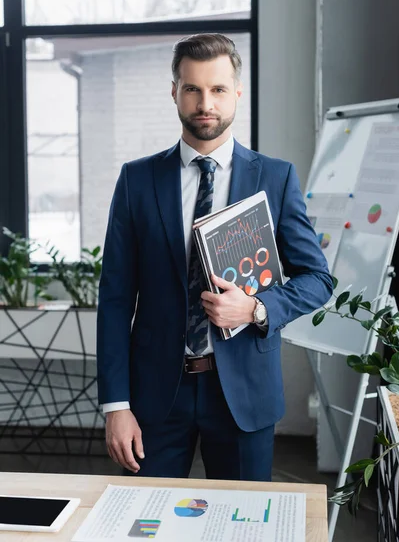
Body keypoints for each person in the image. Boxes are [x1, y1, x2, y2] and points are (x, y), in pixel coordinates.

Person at [97, 33, 333, 481]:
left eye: (219, 89)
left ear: (237, 93)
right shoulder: (136, 180)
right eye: (192, 88)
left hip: (244, 392)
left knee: (242, 527)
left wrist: (256, 307)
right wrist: (116, 405)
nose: (206, 102)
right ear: (174, 92)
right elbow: (114, 300)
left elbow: (317, 279)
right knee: (142, 524)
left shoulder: (276, 179)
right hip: (154, 398)